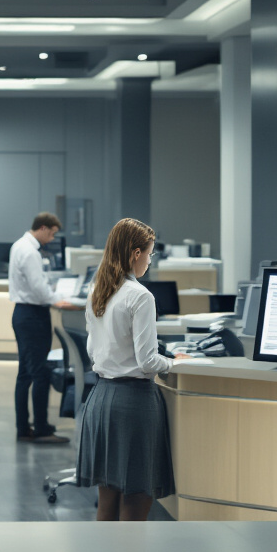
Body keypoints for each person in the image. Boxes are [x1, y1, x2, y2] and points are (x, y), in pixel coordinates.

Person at [76, 218, 190, 521]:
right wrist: (175, 363)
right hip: (133, 404)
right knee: (136, 502)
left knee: (107, 502)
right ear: (135, 253)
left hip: (100, 401)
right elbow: (147, 362)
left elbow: (93, 349)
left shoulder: (97, 289)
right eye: (150, 254)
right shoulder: (140, 296)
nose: (150, 262)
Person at [9, 211, 75, 444]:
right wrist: (57, 299)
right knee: (40, 373)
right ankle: (42, 429)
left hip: (22, 313)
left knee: (25, 374)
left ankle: (23, 427)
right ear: (43, 228)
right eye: (52, 234)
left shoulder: (19, 245)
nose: (52, 239)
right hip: (33, 315)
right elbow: (38, 287)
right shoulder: (29, 251)